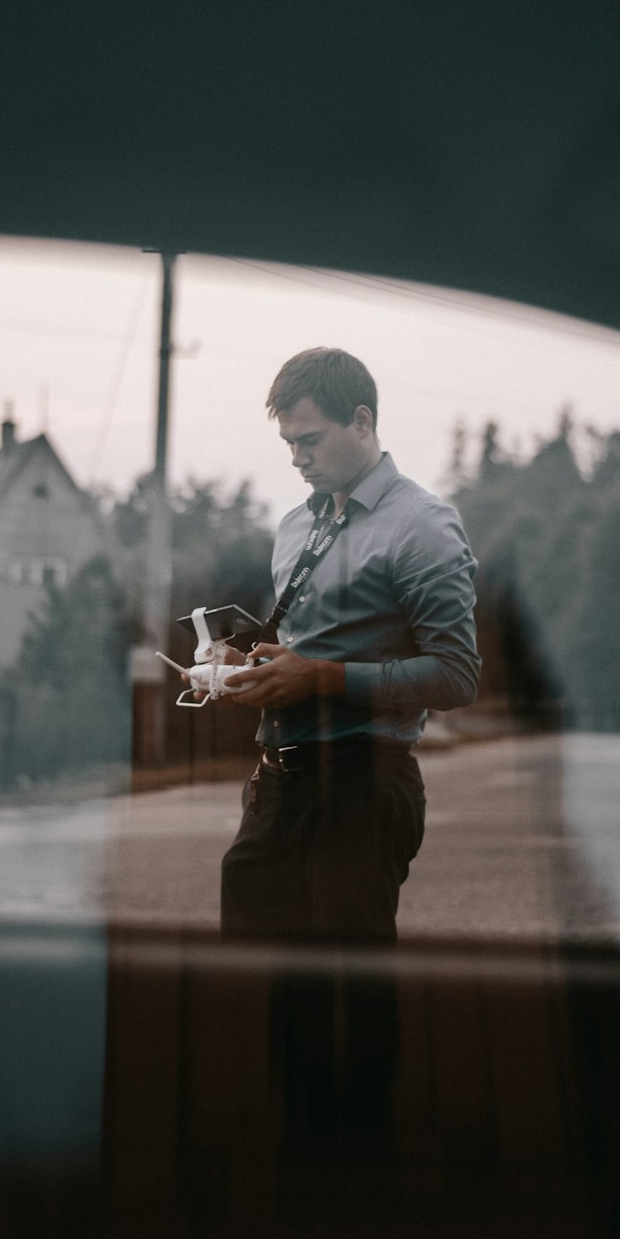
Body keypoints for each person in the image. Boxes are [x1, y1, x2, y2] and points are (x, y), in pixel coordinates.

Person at [220, 347, 480, 944]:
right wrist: (243, 668)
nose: (296, 459)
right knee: (254, 988)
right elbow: (298, 648)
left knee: (344, 1005)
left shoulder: (423, 525)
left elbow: (457, 676)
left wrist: (323, 678)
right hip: (277, 783)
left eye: (309, 440)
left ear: (362, 421)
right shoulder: (293, 526)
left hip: (364, 785)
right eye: (288, 443)